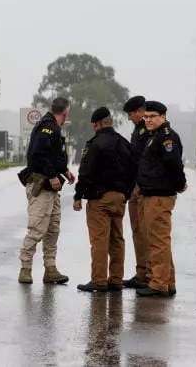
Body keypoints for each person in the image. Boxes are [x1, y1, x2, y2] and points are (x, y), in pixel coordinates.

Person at [73, 107, 137, 292]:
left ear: (96, 124)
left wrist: (78, 195)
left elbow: (86, 172)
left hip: (99, 199)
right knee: (117, 239)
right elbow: (134, 169)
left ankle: (99, 280)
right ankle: (116, 279)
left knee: (99, 240)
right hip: (119, 198)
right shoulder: (124, 143)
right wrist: (126, 192)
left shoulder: (95, 144)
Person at [17, 97, 75, 284]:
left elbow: (53, 155)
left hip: (51, 188)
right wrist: (52, 175)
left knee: (53, 229)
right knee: (37, 228)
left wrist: (64, 171)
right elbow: (38, 155)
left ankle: (50, 269)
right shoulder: (47, 127)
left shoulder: (54, 128)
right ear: (65, 112)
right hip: (41, 185)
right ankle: (25, 268)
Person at [135, 100, 187, 297]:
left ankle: (158, 283)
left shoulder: (166, 138)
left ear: (163, 117)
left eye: (152, 117)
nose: (148, 120)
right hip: (152, 193)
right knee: (160, 240)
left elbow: (174, 163)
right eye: (146, 117)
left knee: (158, 241)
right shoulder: (154, 136)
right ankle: (168, 281)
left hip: (159, 195)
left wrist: (180, 184)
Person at [122, 95, 151, 289]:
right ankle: (141, 272)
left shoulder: (148, 129)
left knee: (146, 232)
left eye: (131, 114)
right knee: (137, 231)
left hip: (144, 185)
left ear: (140, 111)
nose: (130, 117)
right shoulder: (137, 129)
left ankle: (151, 274)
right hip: (135, 185)